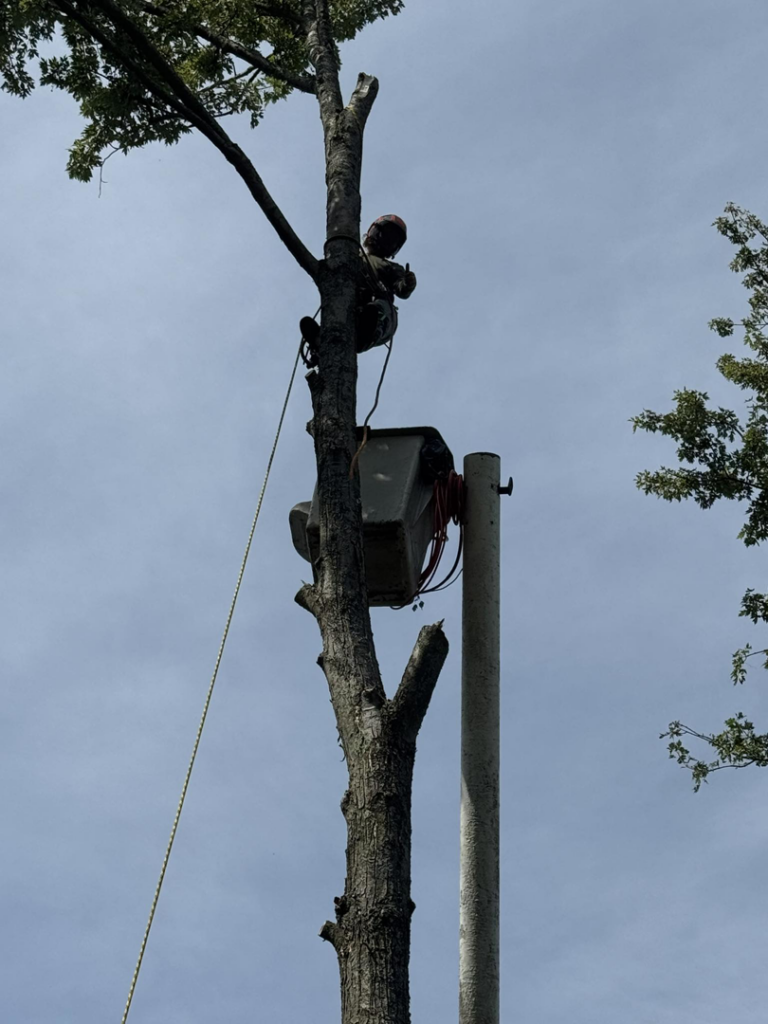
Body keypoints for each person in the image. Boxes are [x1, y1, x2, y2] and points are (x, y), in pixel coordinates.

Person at [300, 215, 417, 366]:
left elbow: (401, 288)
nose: (384, 241)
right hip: (353, 307)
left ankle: (363, 333)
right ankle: (322, 339)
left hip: (380, 312)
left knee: (379, 309)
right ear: (373, 232)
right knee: (344, 311)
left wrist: (408, 283)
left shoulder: (389, 267)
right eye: (383, 234)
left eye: (391, 241)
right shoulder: (354, 256)